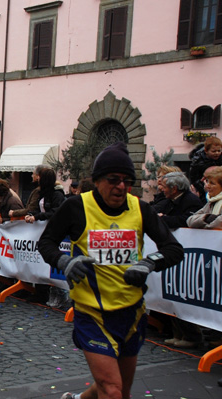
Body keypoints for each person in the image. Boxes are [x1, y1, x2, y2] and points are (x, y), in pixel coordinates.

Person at [38, 142, 184, 399]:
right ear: (97, 180)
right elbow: (46, 243)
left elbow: (173, 249)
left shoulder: (140, 208)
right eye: (114, 179)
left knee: (119, 389)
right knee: (112, 389)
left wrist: (149, 263)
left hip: (132, 313)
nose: (121, 187)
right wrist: (64, 262)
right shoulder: (76, 206)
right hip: (92, 314)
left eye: (127, 181)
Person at [189, 137, 222, 202]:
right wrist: (204, 187)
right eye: (214, 151)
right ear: (206, 151)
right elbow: (194, 179)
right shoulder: (198, 161)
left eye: (219, 151)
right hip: (205, 189)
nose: (217, 153)